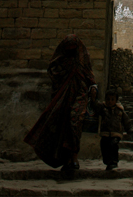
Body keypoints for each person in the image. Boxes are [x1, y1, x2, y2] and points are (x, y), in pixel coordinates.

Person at [24, 34, 96, 174]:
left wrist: (93, 87)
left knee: (74, 123)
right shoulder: (60, 61)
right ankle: (66, 159)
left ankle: (74, 157)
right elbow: (54, 72)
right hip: (63, 98)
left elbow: (89, 74)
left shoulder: (83, 58)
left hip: (79, 96)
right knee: (61, 126)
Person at [89, 87, 133, 171]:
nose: (110, 101)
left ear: (116, 100)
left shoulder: (119, 110)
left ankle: (113, 161)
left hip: (116, 133)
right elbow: (96, 106)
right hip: (105, 132)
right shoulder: (103, 108)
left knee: (113, 145)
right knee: (104, 145)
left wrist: (129, 128)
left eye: (112, 99)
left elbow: (126, 120)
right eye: (108, 99)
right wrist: (93, 99)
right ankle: (107, 161)